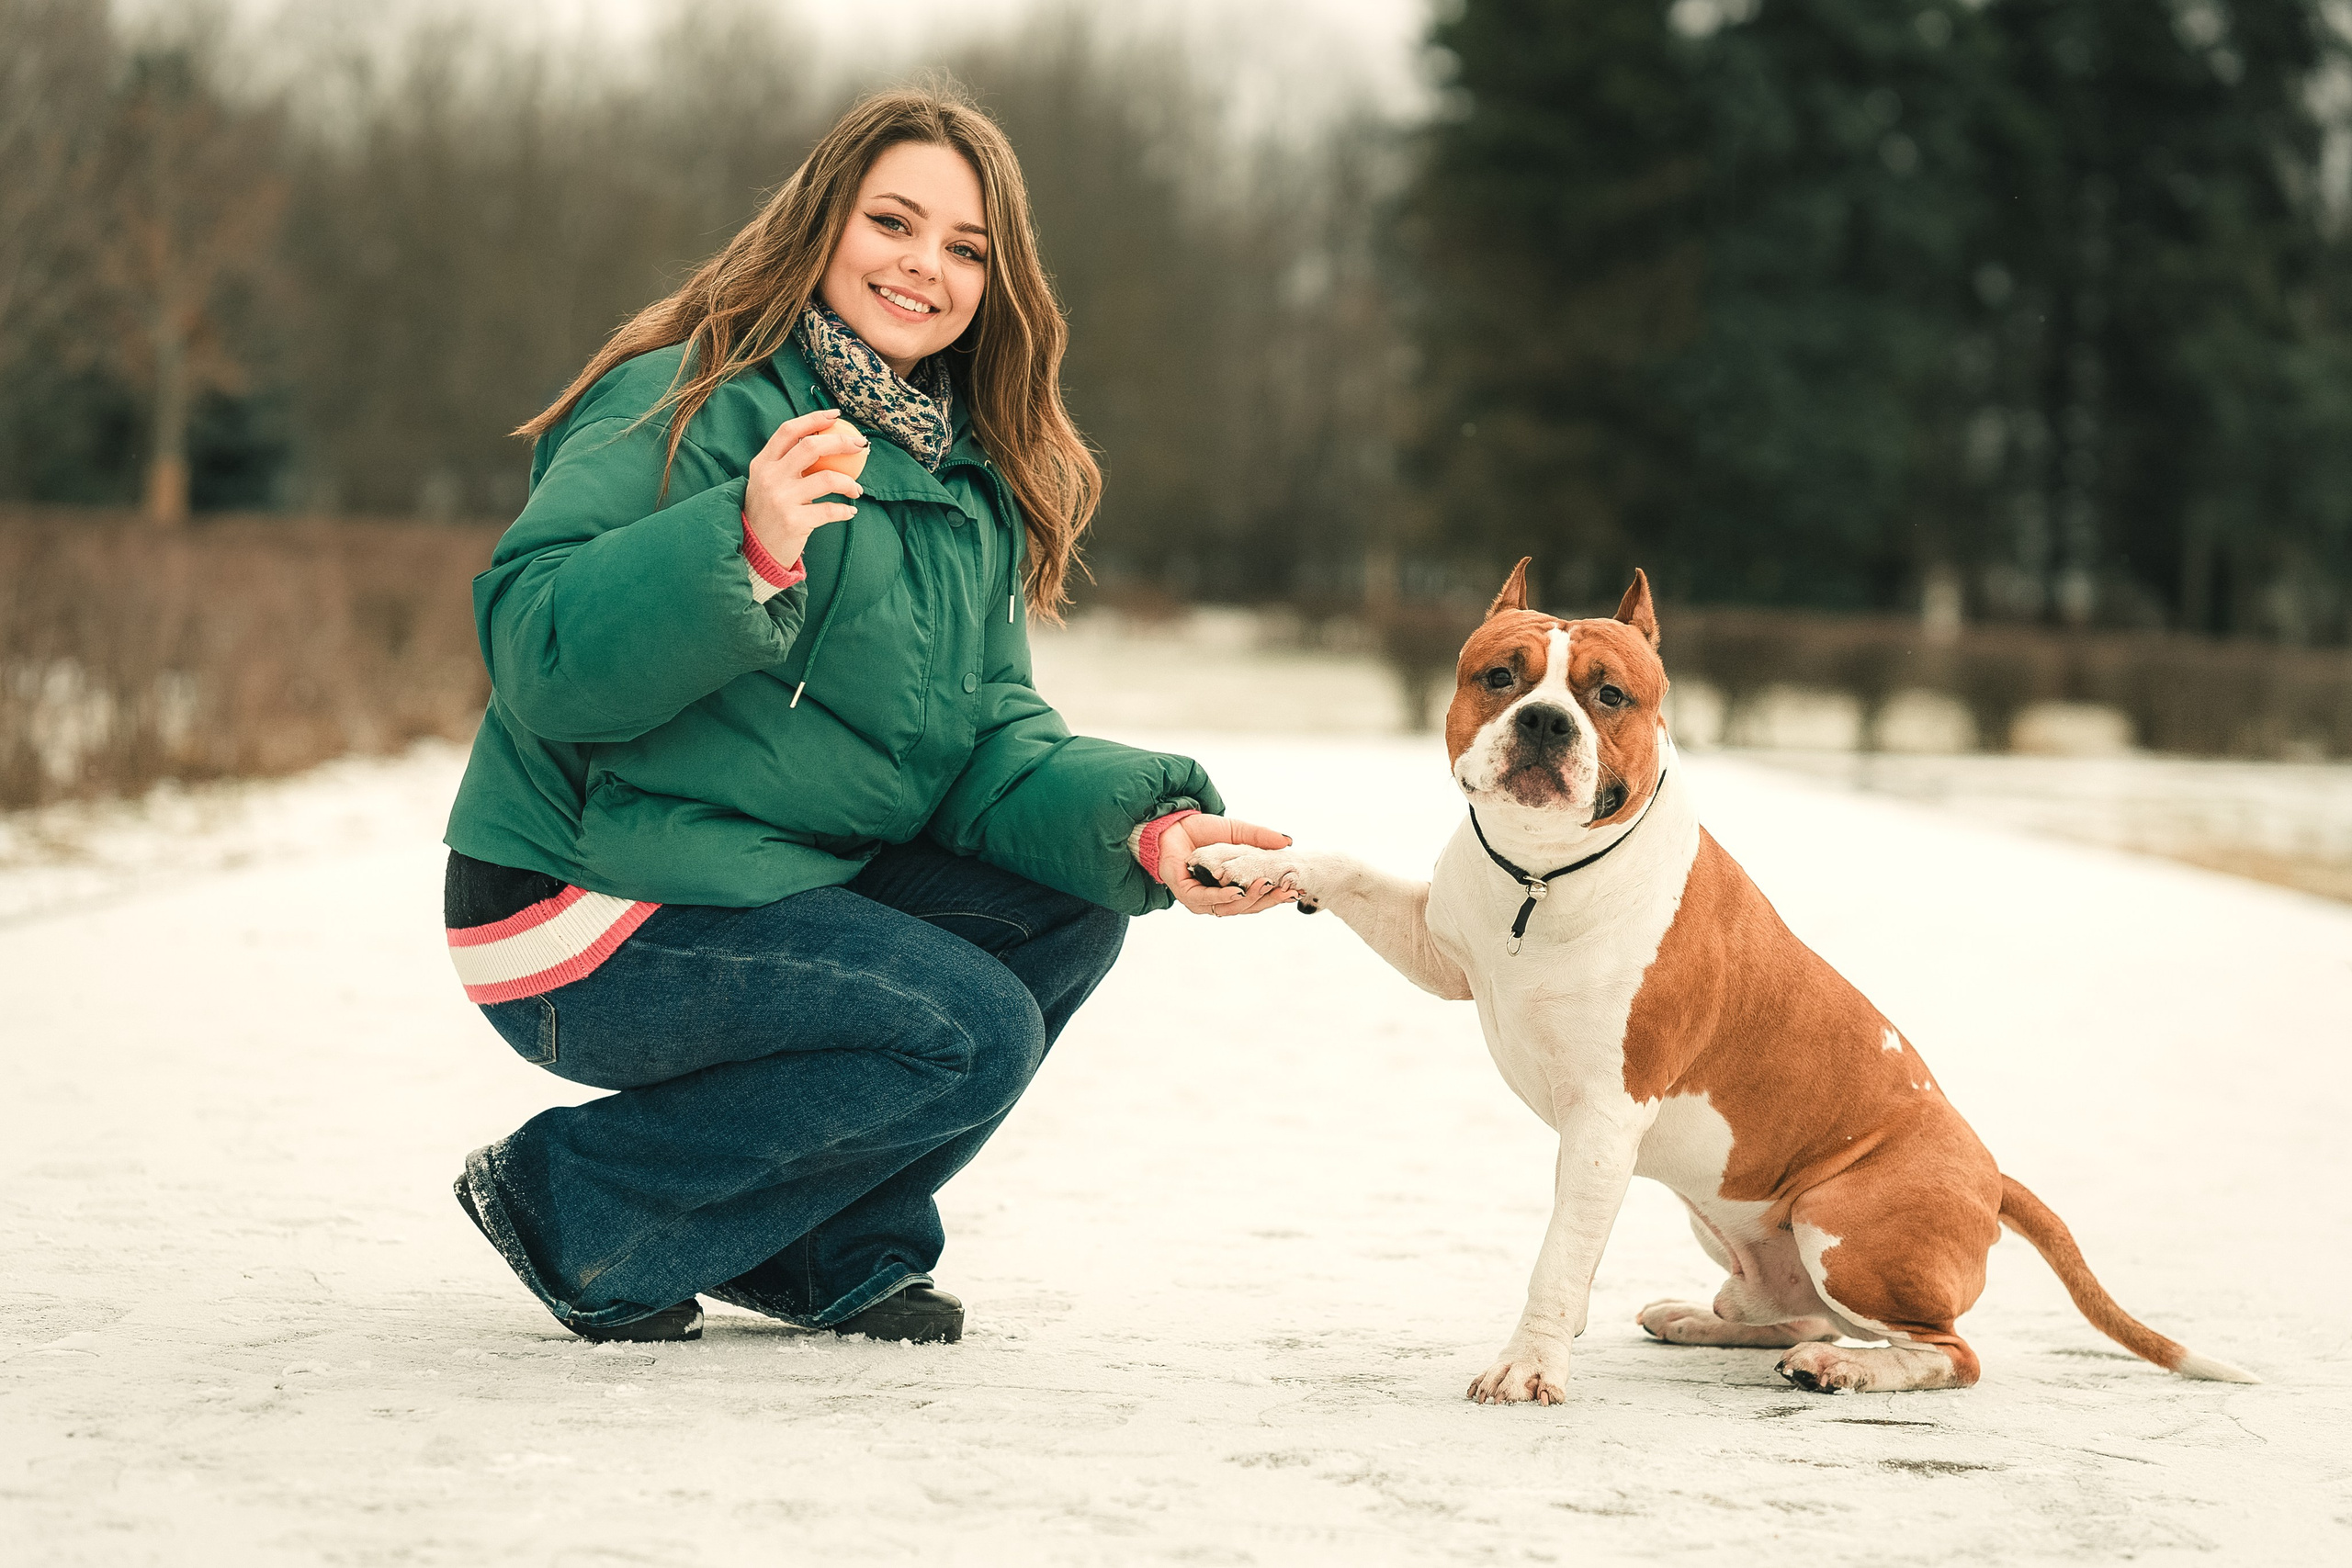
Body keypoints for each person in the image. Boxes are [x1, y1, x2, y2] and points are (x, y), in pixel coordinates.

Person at [441, 84, 1295, 1347]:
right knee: (964, 1026)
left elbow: (983, 742)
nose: (924, 265)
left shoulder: (965, 478)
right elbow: (536, 645)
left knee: (1070, 914)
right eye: (894, 222)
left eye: (965, 247)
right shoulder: (690, 395)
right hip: (573, 892)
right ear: (823, 220)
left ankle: (819, 1247)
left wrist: (1151, 831)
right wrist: (738, 549)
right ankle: (585, 1202)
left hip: (757, 876)